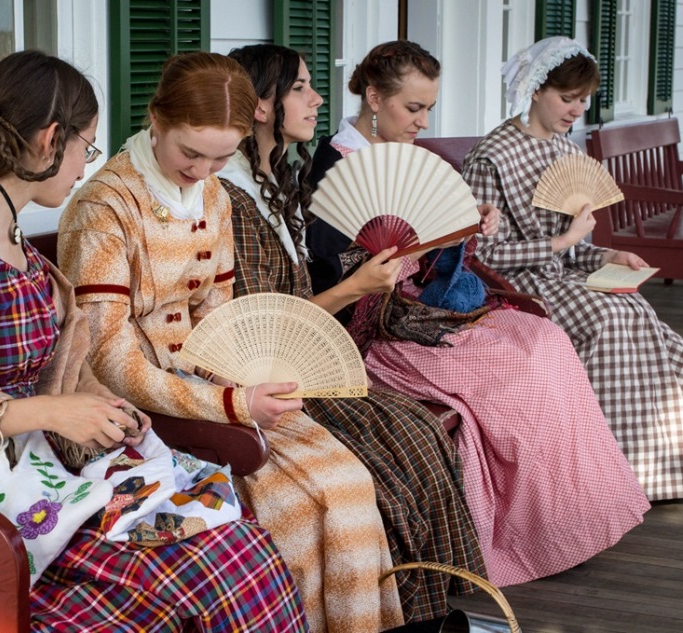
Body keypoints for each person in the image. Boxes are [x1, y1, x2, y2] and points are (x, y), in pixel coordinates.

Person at [0, 50, 307, 633]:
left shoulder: (10, 244)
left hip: (45, 479)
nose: (84, 168)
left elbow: (62, 363)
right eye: (85, 148)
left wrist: (112, 410)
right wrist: (49, 410)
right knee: (206, 570)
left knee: (241, 550)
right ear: (49, 141)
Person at [59, 51, 401, 632]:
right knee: (288, 512)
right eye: (189, 152)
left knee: (348, 485)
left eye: (220, 157)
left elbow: (217, 316)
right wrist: (232, 405)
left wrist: (238, 379)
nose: (201, 171)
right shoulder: (104, 207)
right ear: (155, 121)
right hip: (138, 408)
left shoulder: (215, 196)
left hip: (209, 384)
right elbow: (107, 356)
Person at [302, 40, 650, 587]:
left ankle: (566, 520)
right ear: (373, 96)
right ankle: (522, 532)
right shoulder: (335, 166)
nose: (421, 121)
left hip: (430, 309)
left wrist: (471, 219)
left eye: (428, 110)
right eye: (412, 108)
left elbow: (441, 236)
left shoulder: (408, 155)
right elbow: (334, 272)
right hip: (378, 327)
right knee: (513, 371)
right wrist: (405, 253)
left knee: (544, 341)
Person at [218, 44, 490, 628]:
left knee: (420, 434)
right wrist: (355, 285)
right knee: (388, 457)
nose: (317, 98)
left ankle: (428, 607)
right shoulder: (234, 194)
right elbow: (264, 325)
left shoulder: (282, 176)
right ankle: (402, 617)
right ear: (261, 105)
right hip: (276, 371)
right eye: (301, 88)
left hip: (313, 348)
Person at [463, 36, 683, 502]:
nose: (576, 110)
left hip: (561, 274)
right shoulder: (491, 155)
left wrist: (609, 257)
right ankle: (602, 479)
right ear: (536, 88)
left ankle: (650, 473)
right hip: (512, 283)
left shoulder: (569, 153)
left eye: (583, 100)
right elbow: (480, 255)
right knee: (607, 320)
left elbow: (577, 251)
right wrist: (561, 243)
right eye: (567, 98)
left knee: (643, 318)